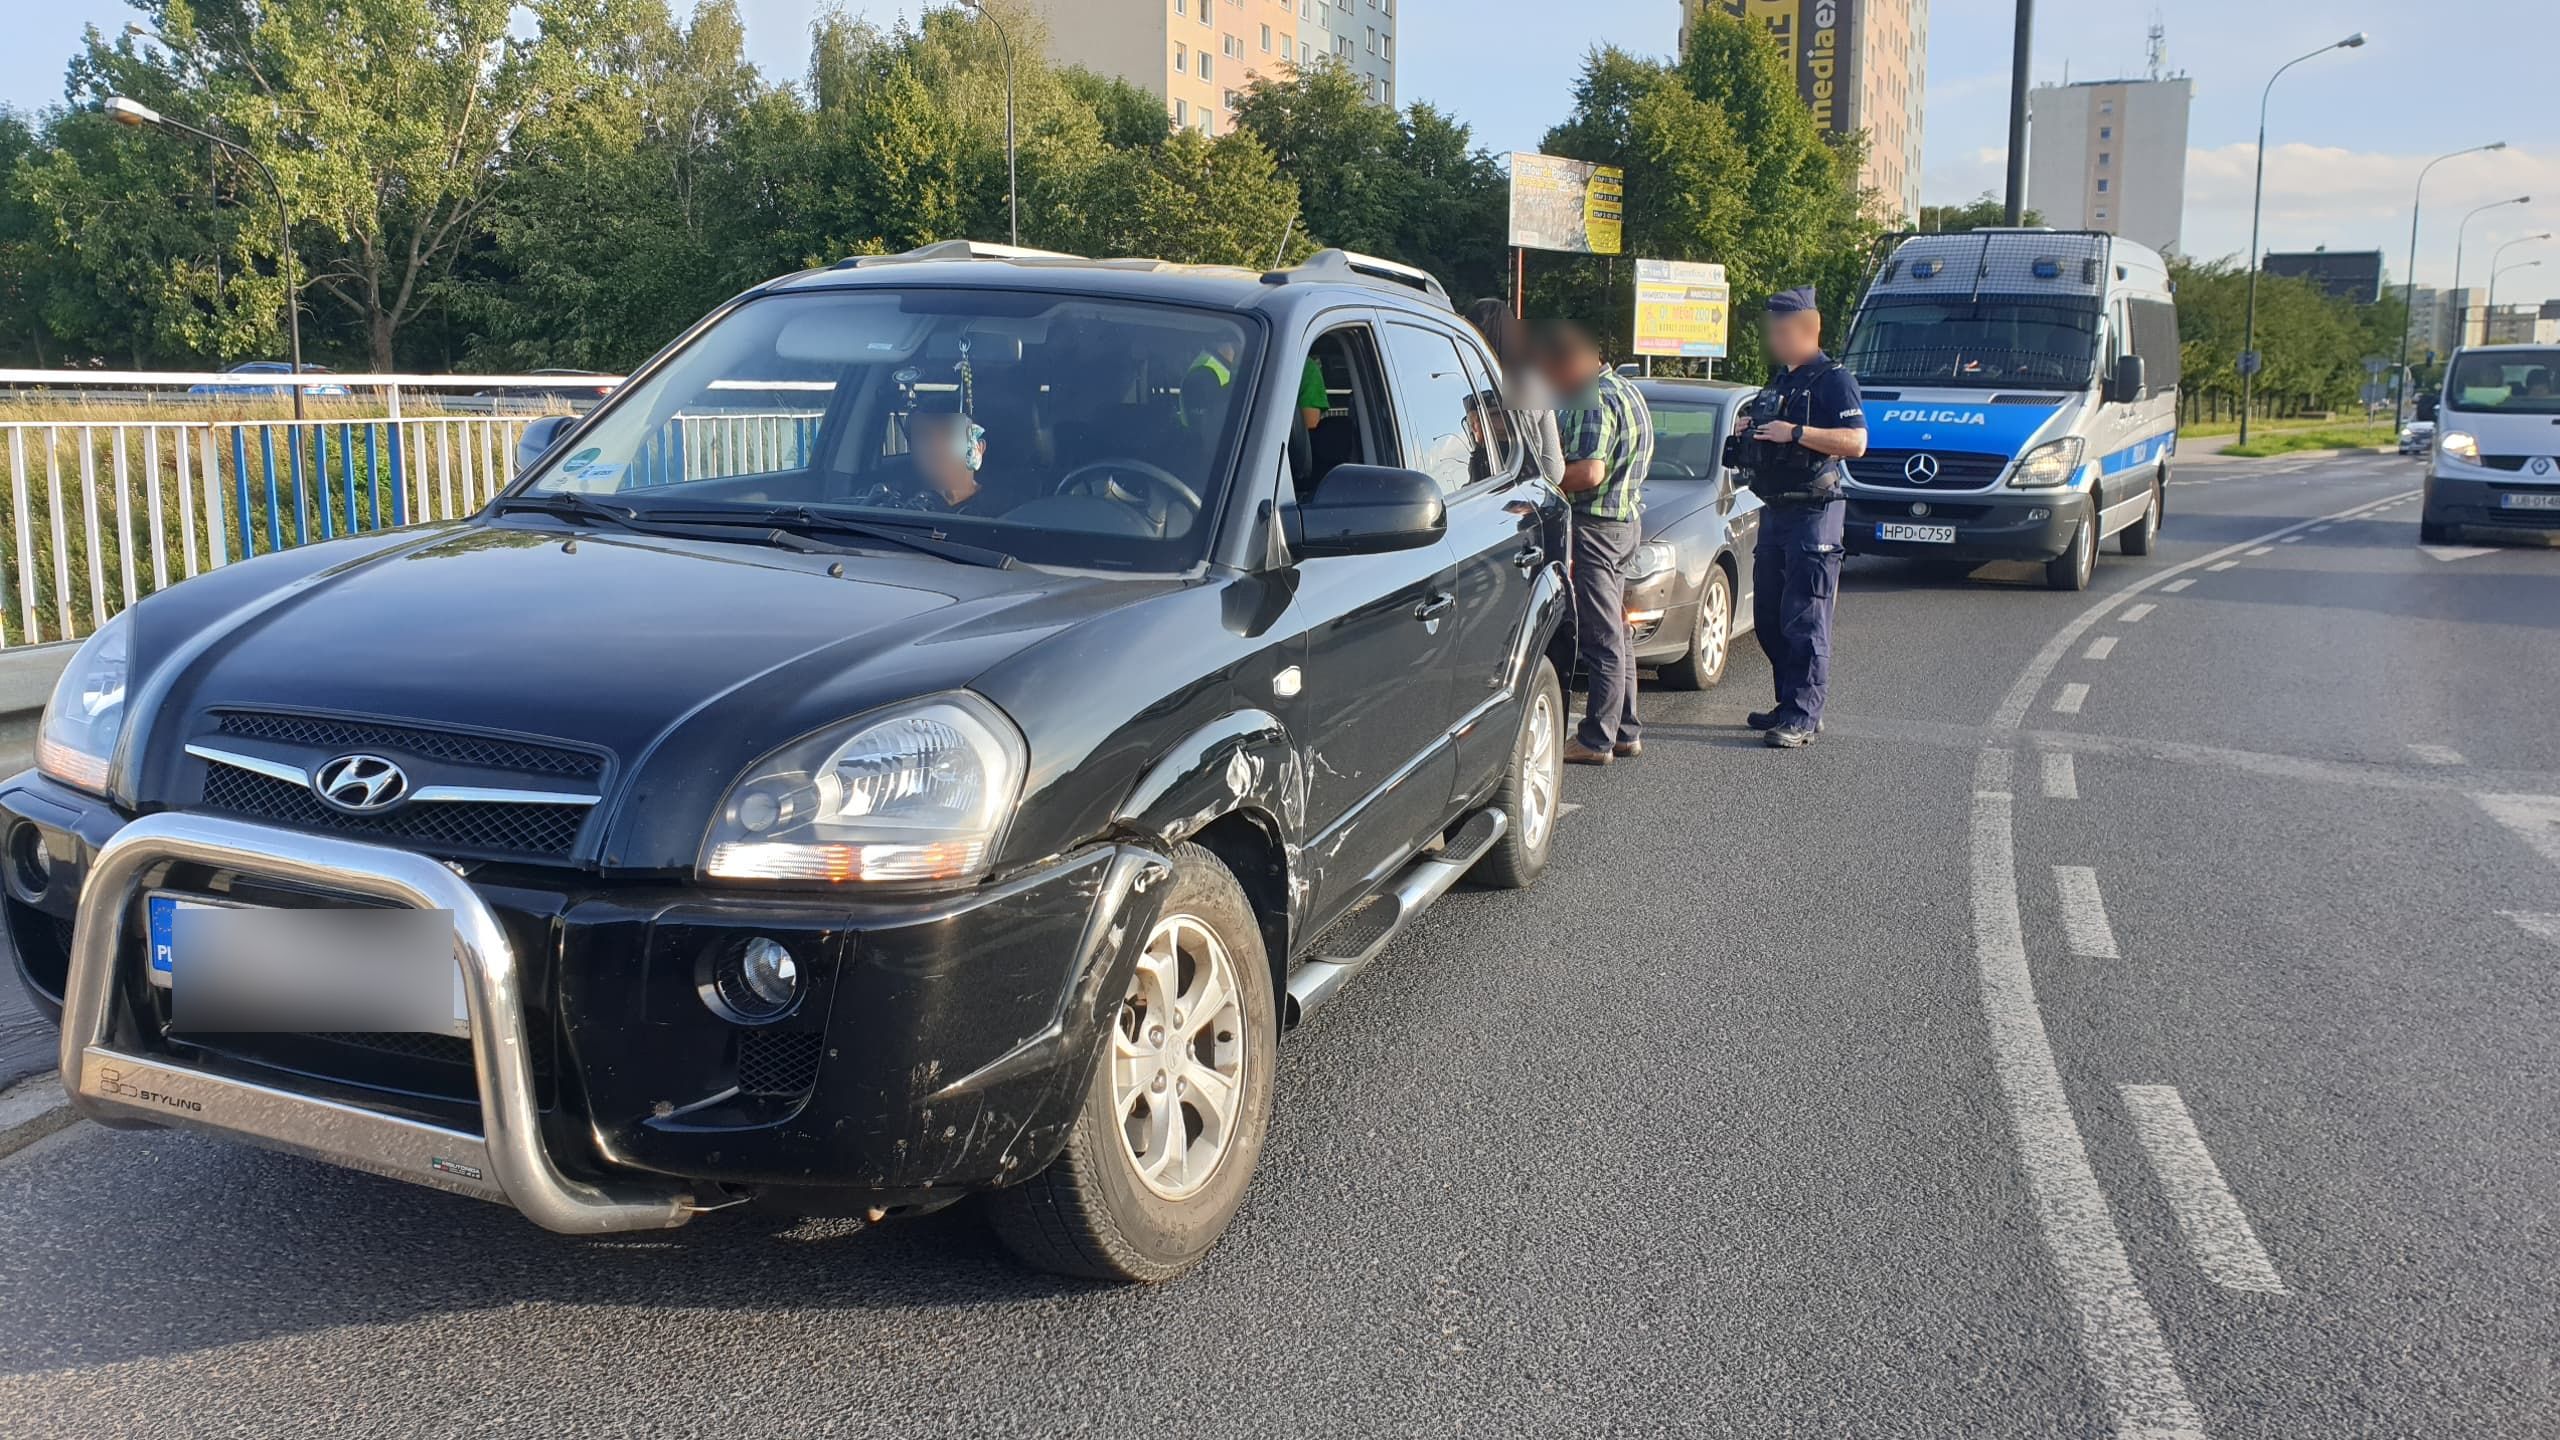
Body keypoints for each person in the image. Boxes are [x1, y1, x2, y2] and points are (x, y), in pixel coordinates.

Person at [1734, 287, 1866, 749]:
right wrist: (1752, 430)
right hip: (1777, 506)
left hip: (1816, 510)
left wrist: (1797, 432)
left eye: (1782, 329)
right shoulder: (1781, 380)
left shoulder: (1834, 380)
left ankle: (1804, 716)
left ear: (1809, 330)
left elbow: (1856, 442)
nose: (1774, 337)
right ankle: (1789, 700)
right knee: (1768, 614)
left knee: (1805, 616)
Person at [1539, 321, 1655, 766]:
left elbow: (1589, 471)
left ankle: (1596, 738)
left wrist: (1546, 481)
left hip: (1596, 528)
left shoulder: (1590, 397)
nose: (1554, 385)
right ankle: (1625, 730)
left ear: (1570, 362)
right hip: (1626, 522)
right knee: (1620, 633)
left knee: (1601, 634)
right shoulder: (1628, 390)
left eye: (1554, 374)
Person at [1462, 299, 1566, 485]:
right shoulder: (1532, 384)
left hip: (1470, 494)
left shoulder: (1463, 380)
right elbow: (1553, 470)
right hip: (1521, 497)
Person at [864, 410, 1006, 516]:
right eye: (924, 435)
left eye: (949, 433)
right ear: (912, 449)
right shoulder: (892, 508)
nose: (936, 446)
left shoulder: (1008, 513)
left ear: (977, 448)